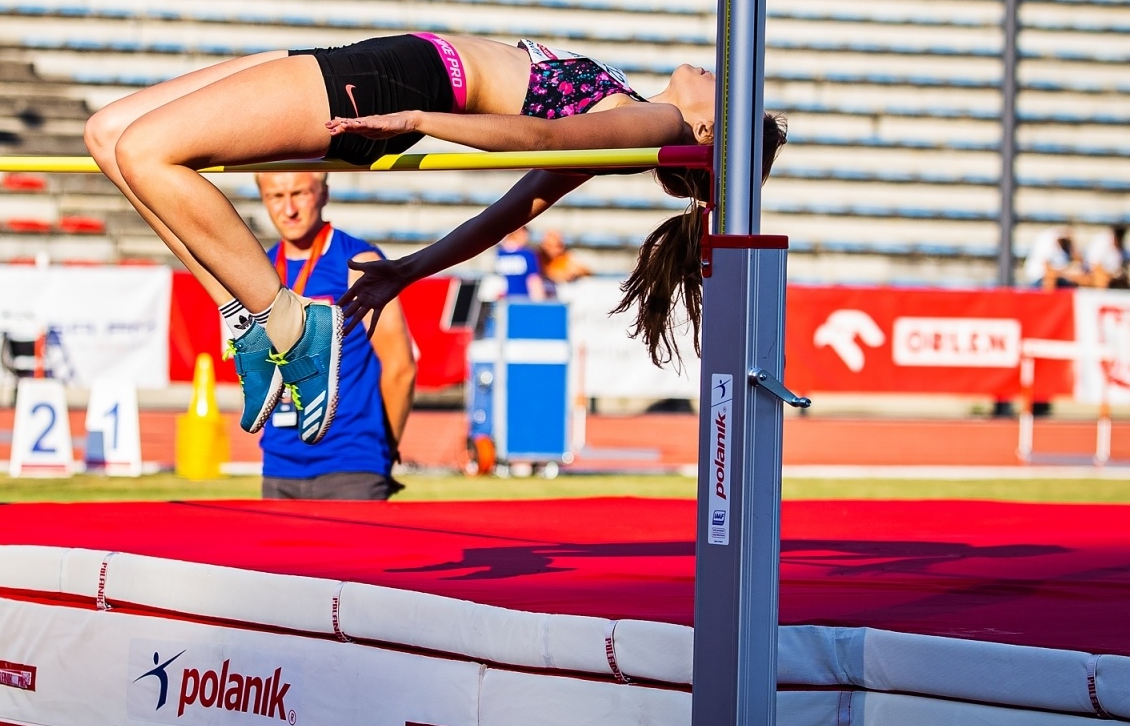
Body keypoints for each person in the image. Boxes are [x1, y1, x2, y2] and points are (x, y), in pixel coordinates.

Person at [84, 32, 787, 447]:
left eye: (731, 91)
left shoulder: (657, 125)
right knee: (108, 135)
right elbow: (515, 208)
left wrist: (420, 116)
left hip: (402, 83)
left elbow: (537, 137)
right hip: (392, 68)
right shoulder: (635, 112)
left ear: (708, 135)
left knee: (149, 151)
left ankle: (290, 321)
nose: (719, 73)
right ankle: (243, 311)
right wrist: (408, 272)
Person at [254, 171, 416, 500]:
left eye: (299, 193)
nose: (289, 209)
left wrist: (384, 450)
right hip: (278, 466)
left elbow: (400, 367)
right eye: (275, 196)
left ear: (324, 193)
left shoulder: (359, 262)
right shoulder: (258, 269)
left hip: (351, 465)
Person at [494, 226, 547, 300]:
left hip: (510, 299)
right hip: (520, 299)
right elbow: (534, 280)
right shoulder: (528, 254)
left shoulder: (498, 253)